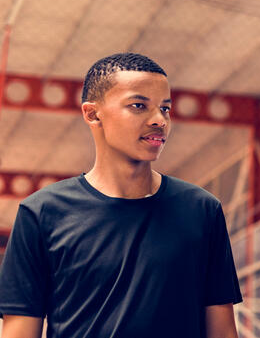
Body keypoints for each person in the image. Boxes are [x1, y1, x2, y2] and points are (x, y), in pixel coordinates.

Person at [0, 53, 242, 338]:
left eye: (165, 109)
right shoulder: (41, 214)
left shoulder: (202, 210)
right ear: (92, 113)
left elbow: (223, 333)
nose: (159, 120)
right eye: (139, 106)